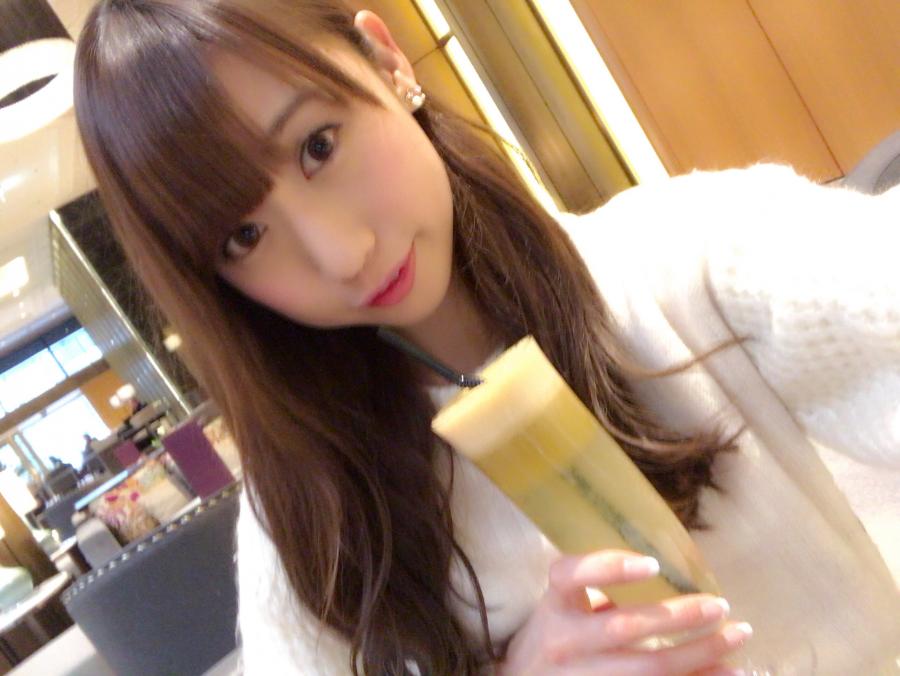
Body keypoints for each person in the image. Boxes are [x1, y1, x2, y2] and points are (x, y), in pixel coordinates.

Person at [72, 1, 900, 673]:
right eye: (243, 237)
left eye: (318, 146)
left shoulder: (681, 260)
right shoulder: (307, 517)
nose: (341, 254)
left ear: (388, 63)